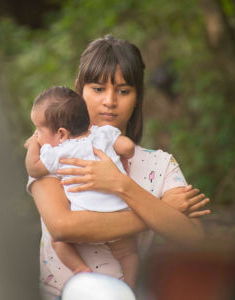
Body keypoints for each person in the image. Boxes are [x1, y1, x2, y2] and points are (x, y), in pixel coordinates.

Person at [26, 34, 210, 300]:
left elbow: (193, 237)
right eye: (98, 89)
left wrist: (121, 185)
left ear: (137, 97)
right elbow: (63, 227)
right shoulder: (54, 151)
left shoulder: (159, 164)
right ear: (80, 91)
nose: (110, 101)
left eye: (123, 91)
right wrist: (162, 213)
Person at [25, 85, 139, 287]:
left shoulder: (58, 152)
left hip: (84, 219)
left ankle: (80, 269)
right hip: (118, 212)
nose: (36, 135)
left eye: (38, 131)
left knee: (58, 241)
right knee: (128, 254)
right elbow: (128, 147)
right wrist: (123, 155)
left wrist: (32, 145)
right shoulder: (102, 134)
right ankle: (131, 289)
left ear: (61, 133)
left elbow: (34, 169)